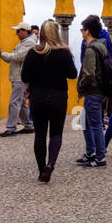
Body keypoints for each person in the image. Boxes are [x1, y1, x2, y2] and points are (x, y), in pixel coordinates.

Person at [20, 19, 78, 183]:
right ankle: (50, 165)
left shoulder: (33, 52)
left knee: (39, 134)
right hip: (58, 97)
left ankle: (40, 170)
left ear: (42, 35)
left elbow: (25, 77)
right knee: (56, 133)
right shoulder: (64, 52)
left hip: (38, 98)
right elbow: (73, 74)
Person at [74, 15, 110, 167]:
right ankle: (91, 152)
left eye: (82, 29)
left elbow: (89, 73)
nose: (81, 32)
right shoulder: (102, 46)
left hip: (92, 92)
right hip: (101, 90)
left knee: (95, 124)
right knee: (85, 121)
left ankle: (99, 157)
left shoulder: (90, 49)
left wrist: (80, 87)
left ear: (87, 31)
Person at [0, 22, 37, 138]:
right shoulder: (26, 42)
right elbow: (15, 59)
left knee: (14, 102)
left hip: (20, 77)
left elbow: (18, 57)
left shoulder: (29, 43)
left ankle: (11, 128)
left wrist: (2, 54)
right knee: (20, 102)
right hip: (19, 76)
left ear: (25, 31)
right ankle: (28, 125)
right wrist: (2, 55)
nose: (16, 33)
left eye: (18, 31)